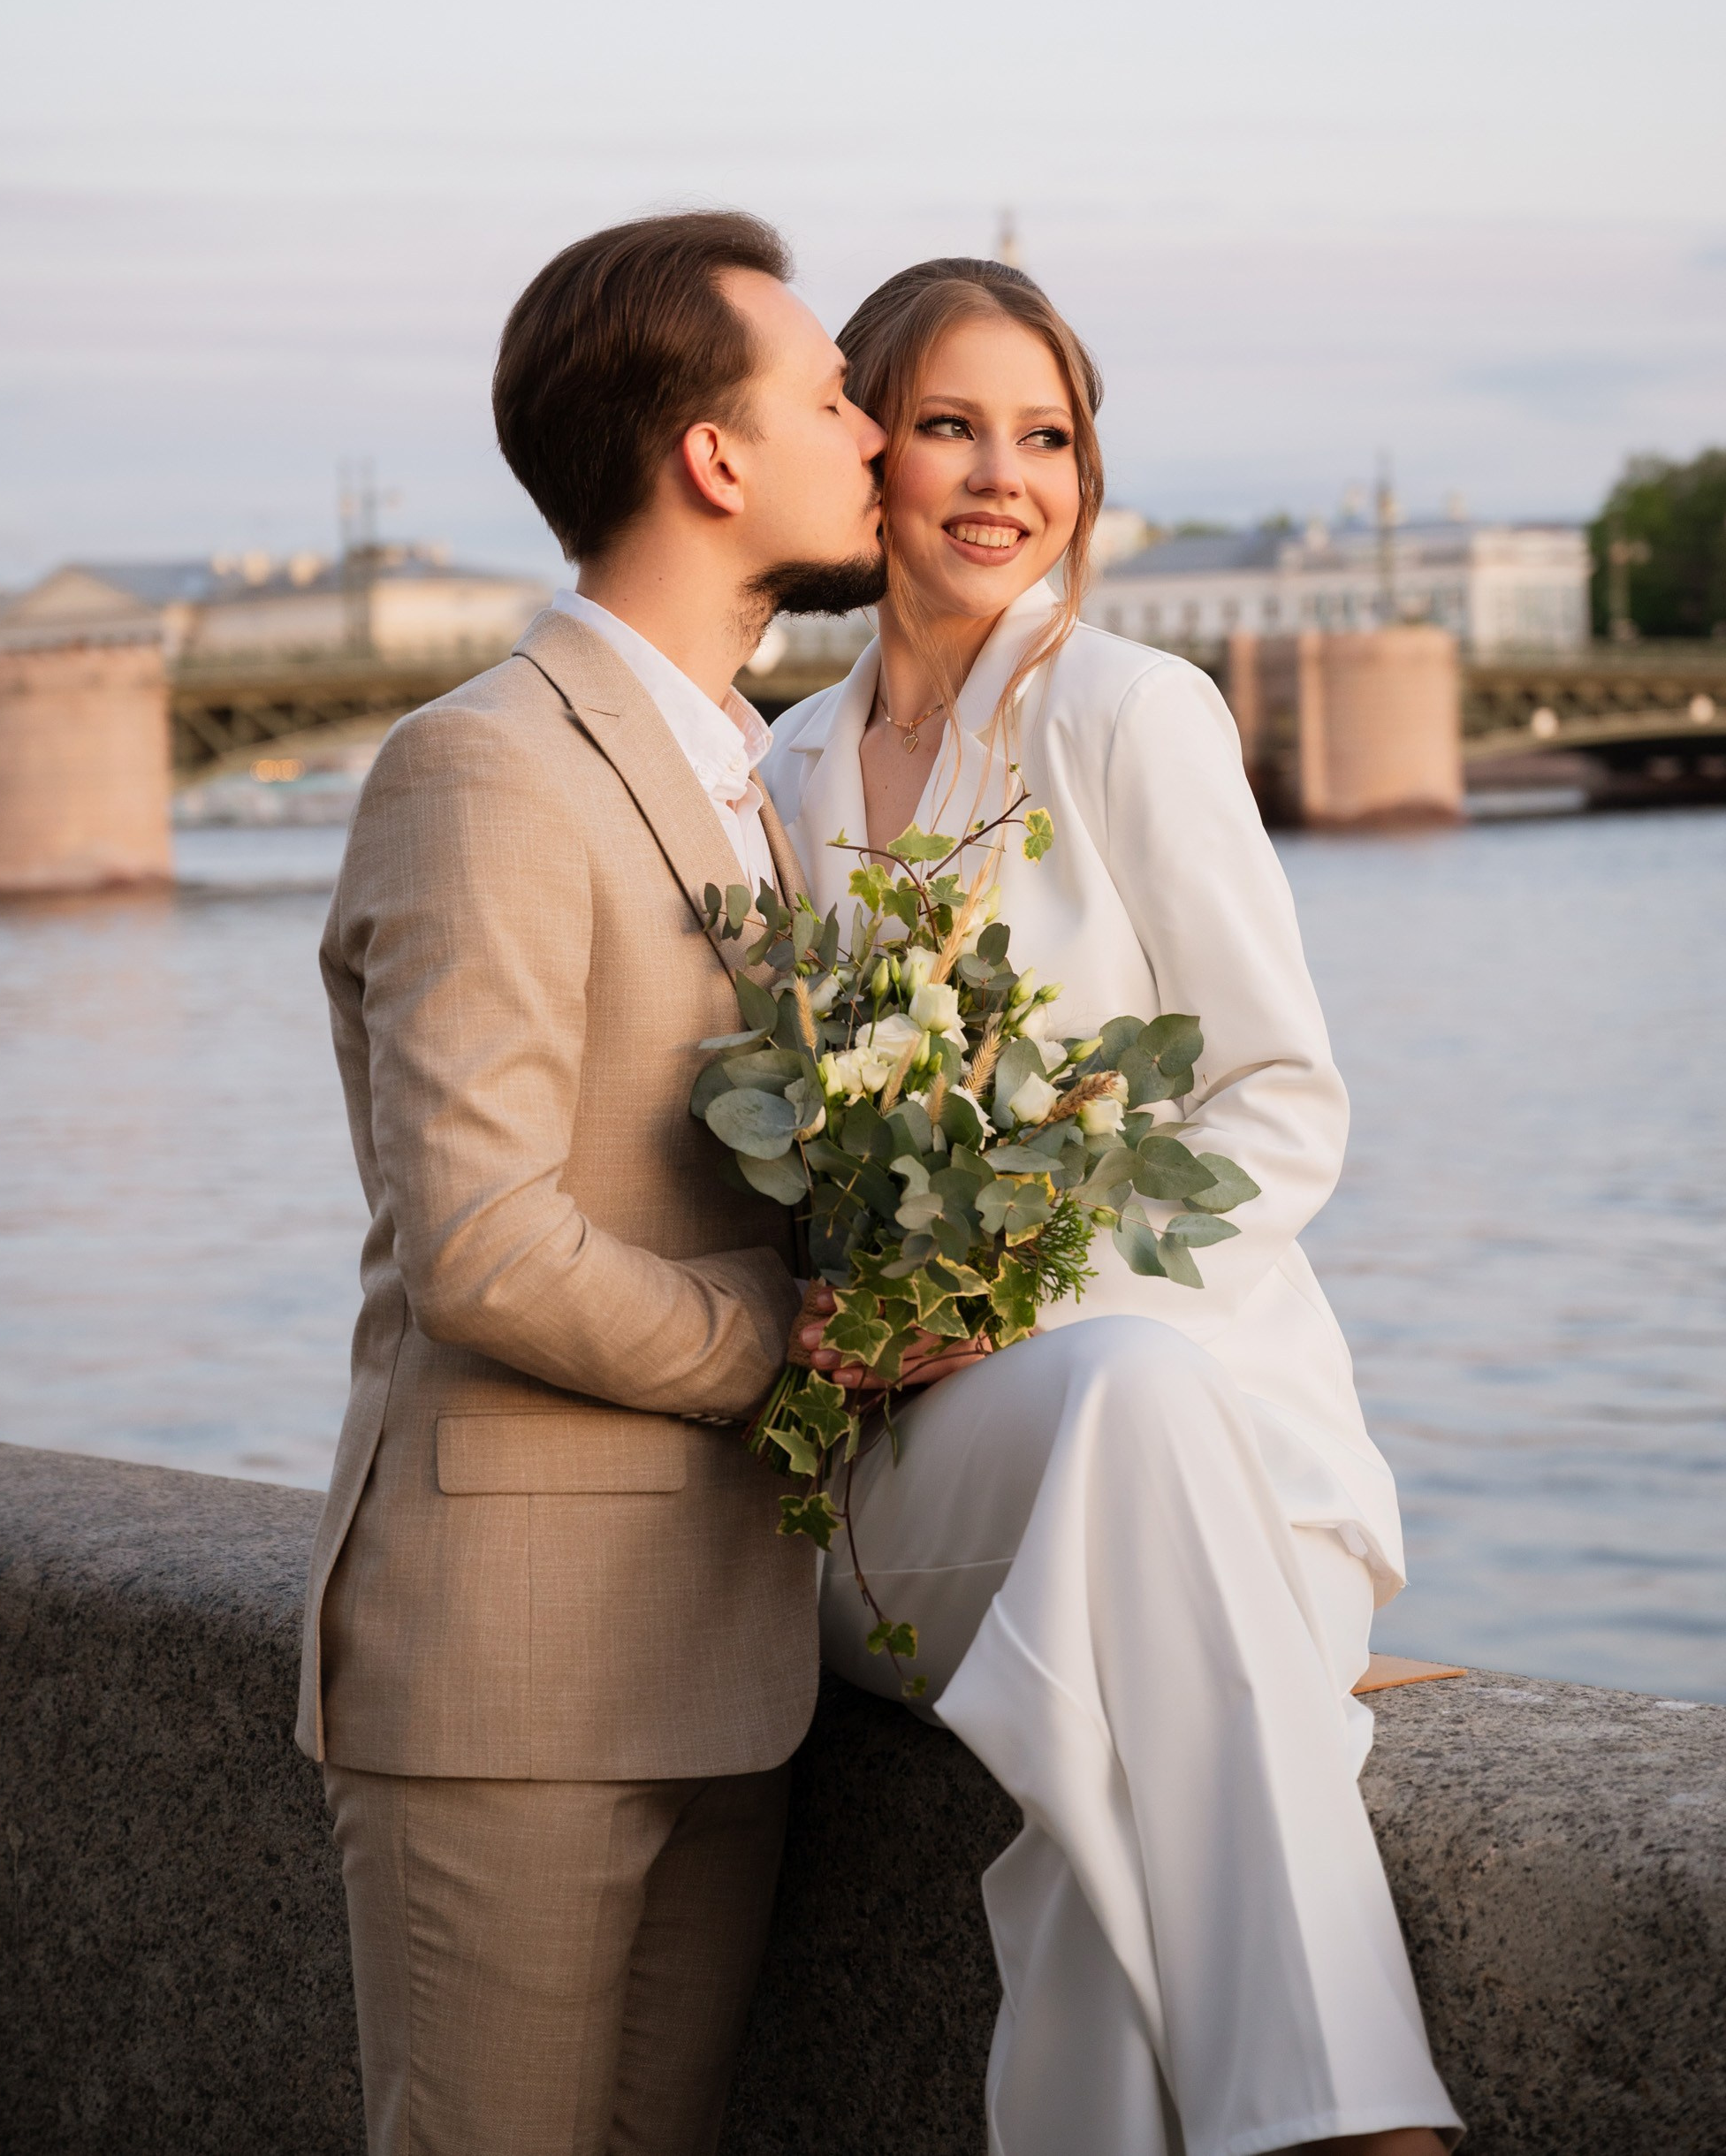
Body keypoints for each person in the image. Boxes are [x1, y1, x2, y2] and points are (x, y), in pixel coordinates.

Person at [757, 256, 1463, 2156]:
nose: (1006, 479)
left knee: (1132, 1459)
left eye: (1048, 435)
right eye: (950, 426)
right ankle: (1353, 2123)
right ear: (865, 454)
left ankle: (1332, 2129)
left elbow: (1278, 1102)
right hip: (900, 1487)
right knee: (1136, 1530)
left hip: (1194, 1419)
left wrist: (1020, 1302)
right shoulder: (777, 772)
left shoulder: (1134, 714)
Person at [294, 210, 888, 2156]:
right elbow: (479, 1239)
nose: (873, 432)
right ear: (713, 458)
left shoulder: (768, 782)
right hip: (509, 1670)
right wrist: (800, 1342)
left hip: (721, 1652)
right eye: (828, 398)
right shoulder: (485, 769)